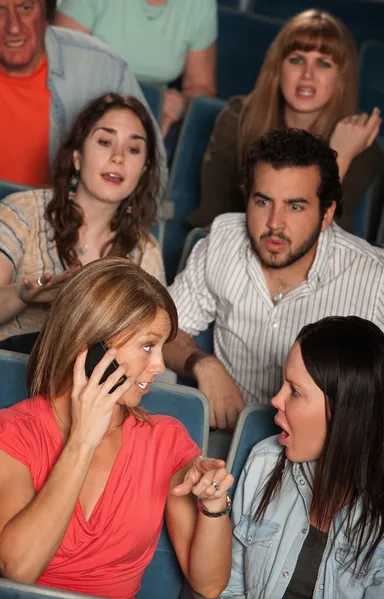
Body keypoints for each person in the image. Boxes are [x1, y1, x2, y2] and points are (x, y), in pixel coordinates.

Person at [0, 257, 233, 599]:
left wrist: (214, 503)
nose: (159, 365)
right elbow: (20, 569)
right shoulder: (6, 433)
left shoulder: (165, 440)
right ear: (92, 347)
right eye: (148, 346)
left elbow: (208, 585)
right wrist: (83, 441)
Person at [163, 129, 384, 434]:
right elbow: (161, 328)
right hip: (228, 439)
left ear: (326, 214)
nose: (274, 223)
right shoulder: (223, 241)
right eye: (263, 202)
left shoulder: (374, 279)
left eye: (295, 206)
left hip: (321, 458)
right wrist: (201, 362)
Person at [0, 92, 165, 351]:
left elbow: (150, 343)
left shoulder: (147, 251)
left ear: (143, 170)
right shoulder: (22, 211)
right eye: (105, 142)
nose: (118, 157)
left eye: (133, 149)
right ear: (77, 157)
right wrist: (22, 296)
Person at [221, 315, 384, 599]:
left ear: (343, 413)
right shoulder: (264, 462)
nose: (275, 399)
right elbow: (229, 588)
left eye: (294, 391)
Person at [189, 9, 384, 234]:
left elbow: (320, 235)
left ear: (341, 78)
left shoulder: (359, 146)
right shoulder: (237, 118)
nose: (307, 75)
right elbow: (214, 220)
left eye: (323, 64)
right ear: (278, 68)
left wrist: (339, 156)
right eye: (297, 60)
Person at [0, 0, 167, 199]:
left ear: (46, 11)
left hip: (65, 221)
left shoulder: (102, 67)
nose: (14, 27)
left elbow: (154, 170)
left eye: (25, 8)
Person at [55, 0, 217, 143]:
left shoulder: (200, 3)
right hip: (87, 103)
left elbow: (201, 85)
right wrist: (131, 107)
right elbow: (62, 67)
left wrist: (179, 106)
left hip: (158, 117)